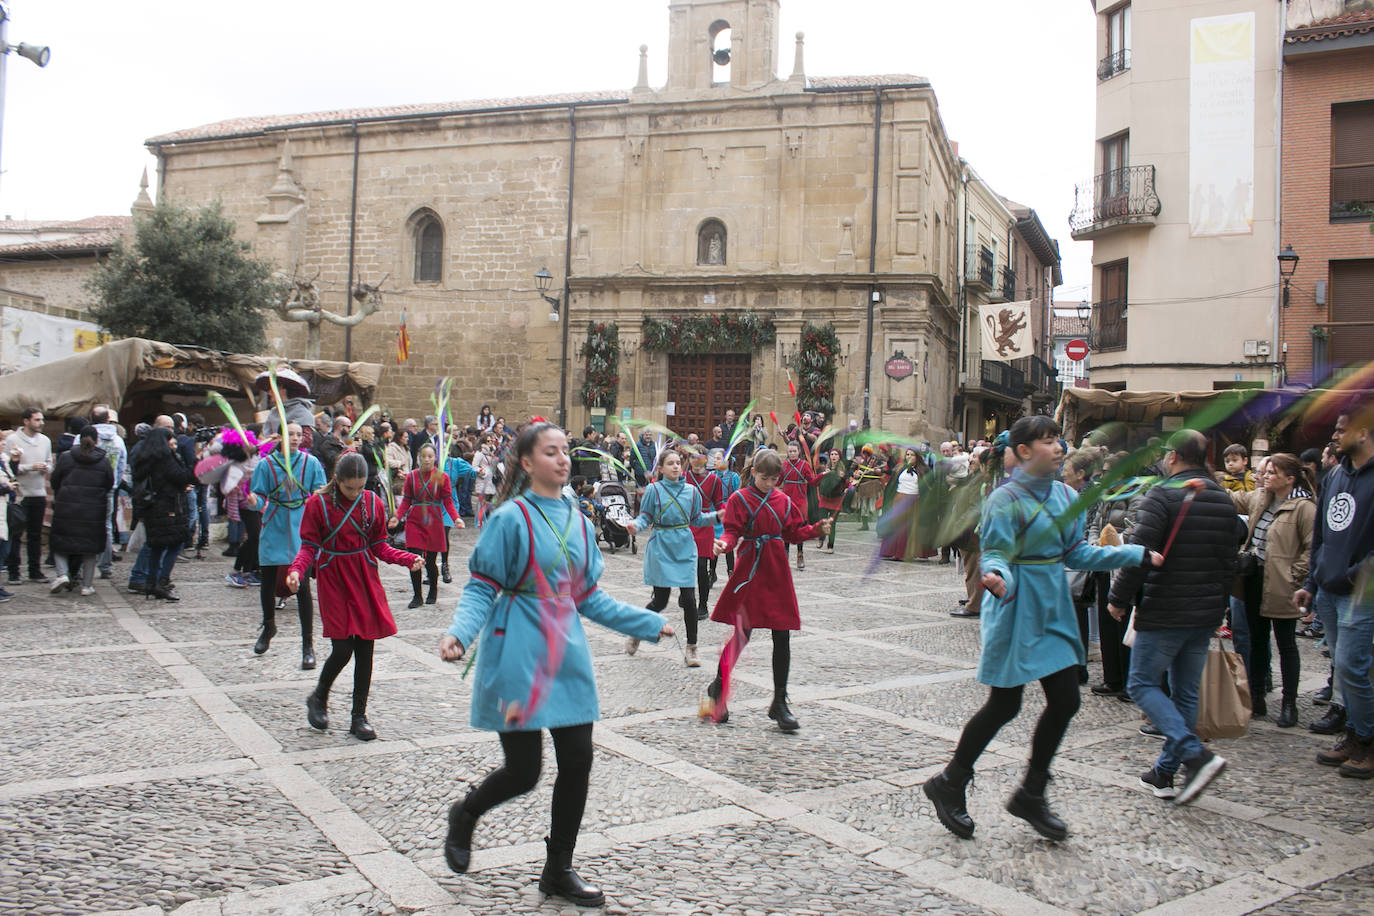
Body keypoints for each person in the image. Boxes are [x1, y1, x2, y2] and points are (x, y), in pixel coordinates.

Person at [438, 420, 673, 905]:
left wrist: (646, 624)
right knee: (524, 772)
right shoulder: (509, 519)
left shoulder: (580, 522)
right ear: (526, 463)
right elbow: (482, 587)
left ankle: (558, 868)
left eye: (565, 450)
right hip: (516, 656)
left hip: (566, 655)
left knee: (578, 759)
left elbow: (588, 598)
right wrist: (459, 634)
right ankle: (466, 812)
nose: (563, 459)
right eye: (551, 452)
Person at [924, 416, 1158, 841]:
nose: (1058, 446)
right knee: (1004, 705)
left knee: (1067, 699)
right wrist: (996, 578)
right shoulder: (1004, 499)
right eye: (1047, 440)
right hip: (1015, 607)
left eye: (1058, 439)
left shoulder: (1068, 495)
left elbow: (1078, 553)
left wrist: (1135, 555)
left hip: (1053, 607)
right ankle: (950, 781)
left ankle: (1032, 792)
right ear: (1025, 451)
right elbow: (995, 554)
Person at [1108, 429, 1244, 804]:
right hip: (1204, 611)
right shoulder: (1222, 498)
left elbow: (1139, 550)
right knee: (1184, 691)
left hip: (1166, 606)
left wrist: (1118, 598)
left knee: (1141, 684)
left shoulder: (1162, 494)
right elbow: (1229, 559)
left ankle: (1194, 754)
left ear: (1172, 457)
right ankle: (1165, 772)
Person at [288, 452, 423, 741]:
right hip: (333, 577)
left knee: (365, 649)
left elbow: (380, 546)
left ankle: (358, 716)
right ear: (337, 480)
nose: (355, 493)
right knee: (342, 648)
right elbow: (308, 546)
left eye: (360, 487)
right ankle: (319, 697)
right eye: (350, 487)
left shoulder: (373, 503)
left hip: (364, 576)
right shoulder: (318, 504)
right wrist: (297, 571)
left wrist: (405, 558)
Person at [703, 448, 832, 731]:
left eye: (774, 479)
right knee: (741, 635)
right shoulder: (739, 499)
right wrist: (723, 543)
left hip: (776, 572)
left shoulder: (783, 500)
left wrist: (816, 530)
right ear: (754, 473)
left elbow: (794, 532)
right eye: (764, 478)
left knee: (782, 637)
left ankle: (779, 703)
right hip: (750, 571)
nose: (770, 484)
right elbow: (731, 530)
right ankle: (719, 689)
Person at [1294, 406, 1374, 778]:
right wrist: (1311, 582)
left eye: (1342, 430)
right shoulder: (1335, 476)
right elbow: (1322, 538)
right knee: (1344, 671)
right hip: (1327, 589)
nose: (1335, 437)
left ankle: (1367, 740)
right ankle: (1355, 735)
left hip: (1362, 593)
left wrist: (1356, 573)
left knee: (1352, 668)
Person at [1231, 454, 1315, 727]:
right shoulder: (1259, 498)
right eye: (1264, 472)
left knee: (1286, 643)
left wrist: (1294, 577)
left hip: (1283, 585)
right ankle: (1257, 696)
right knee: (1257, 640)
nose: (1265, 476)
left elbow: (1312, 548)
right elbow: (1232, 499)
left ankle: (1289, 703)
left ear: (1289, 478)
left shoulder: (1303, 507)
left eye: (1272, 472)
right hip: (1255, 579)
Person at [626, 448, 718, 666]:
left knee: (689, 599)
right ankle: (637, 631)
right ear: (660, 468)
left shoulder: (691, 491)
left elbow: (697, 518)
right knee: (660, 600)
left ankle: (692, 649)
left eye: (678, 462)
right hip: (661, 547)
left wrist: (717, 516)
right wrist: (634, 526)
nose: (676, 466)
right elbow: (645, 517)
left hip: (684, 546)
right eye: (671, 463)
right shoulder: (654, 490)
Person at [251, 423, 327, 667]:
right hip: (273, 524)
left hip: (299, 527)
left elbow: (321, 492)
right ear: (281, 437)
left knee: (302, 585)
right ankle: (269, 626)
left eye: (298, 435)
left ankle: (308, 645)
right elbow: (258, 496)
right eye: (290, 434)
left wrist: (318, 497)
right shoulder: (266, 464)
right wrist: (254, 500)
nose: (295, 438)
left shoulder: (311, 464)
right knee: (268, 581)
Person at [127, 427, 196, 600]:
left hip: (152, 508)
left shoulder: (145, 457)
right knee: (175, 543)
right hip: (168, 507)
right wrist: (196, 465)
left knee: (156, 546)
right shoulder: (165, 458)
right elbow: (180, 477)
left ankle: (152, 582)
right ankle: (162, 581)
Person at [392, 443, 461, 608]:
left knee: (430, 561)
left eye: (430, 456)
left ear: (435, 458)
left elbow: (447, 501)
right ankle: (417, 596)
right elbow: (407, 500)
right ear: (419, 458)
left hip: (434, 520)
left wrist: (456, 518)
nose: (427, 459)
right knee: (413, 559)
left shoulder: (440, 476)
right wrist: (397, 516)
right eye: (424, 456)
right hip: (415, 520)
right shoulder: (412, 476)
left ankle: (433, 589)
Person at [49, 426, 114, 596]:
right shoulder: (103, 460)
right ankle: (87, 585)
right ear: (97, 440)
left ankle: (62, 574)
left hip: (67, 507)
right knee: (90, 548)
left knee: (60, 544)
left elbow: (55, 480)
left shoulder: (66, 457)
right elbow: (109, 484)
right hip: (93, 510)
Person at [5, 407, 53, 584]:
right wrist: (29, 467)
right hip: (20, 493)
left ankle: (35, 570)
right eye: (37, 420)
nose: (41, 423)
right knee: (16, 533)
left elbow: (49, 463)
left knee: (35, 534)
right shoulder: (12, 440)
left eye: (42, 420)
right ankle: (14, 571)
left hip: (38, 492)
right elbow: (8, 466)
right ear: (26, 421)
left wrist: (45, 467)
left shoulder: (45, 441)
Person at [683, 447, 726, 619]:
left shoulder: (714, 479)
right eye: (693, 457)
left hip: (705, 523)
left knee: (702, 567)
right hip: (686, 524)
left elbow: (719, 502)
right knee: (685, 566)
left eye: (700, 457)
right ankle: (686, 596)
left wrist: (727, 514)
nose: (697, 461)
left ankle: (703, 604)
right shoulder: (683, 478)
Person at [89, 405, 127, 580]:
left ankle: (83, 567)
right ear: (107, 420)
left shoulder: (84, 437)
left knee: (85, 526)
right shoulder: (118, 441)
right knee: (107, 527)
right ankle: (105, 566)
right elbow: (121, 466)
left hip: (88, 488)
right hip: (109, 488)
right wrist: (114, 484)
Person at [879, 448, 933, 561]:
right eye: (907, 454)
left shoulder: (924, 470)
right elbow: (893, 484)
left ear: (917, 457)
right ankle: (891, 551)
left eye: (912, 455)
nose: (909, 457)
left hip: (913, 501)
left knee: (908, 528)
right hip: (899, 499)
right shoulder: (899, 469)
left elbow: (929, 487)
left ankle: (904, 554)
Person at [778, 441, 814, 570]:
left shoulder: (804, 465)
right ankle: (785, 555)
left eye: (794, 451)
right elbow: (778, 481)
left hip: (800, 501)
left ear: (799, 451)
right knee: (786, 527)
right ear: (787, 452)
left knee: (799, 529)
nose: (792, 453)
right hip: (787, 501)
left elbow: (812, 481)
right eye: (790, 451)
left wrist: (822, 476)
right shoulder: (784, 465)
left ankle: (800, 554)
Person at [814, 448, 847, 554]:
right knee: (822, 521)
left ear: (839, 457)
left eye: (836, 454)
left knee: (832, 524)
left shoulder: (842, 470)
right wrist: (824, 474)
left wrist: (843, 479)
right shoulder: (825, 468)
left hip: (836, 500)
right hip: (824, 499)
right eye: (832, 454)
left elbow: (847, 484)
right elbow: (817, 481)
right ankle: (821, 538)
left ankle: (830, 546)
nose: (833, 456)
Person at [314, 414, 351, 481]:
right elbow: (333, 460)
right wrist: (348, 449)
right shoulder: (328, 442)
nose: (350, 429)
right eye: (348, 427)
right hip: (332, 480)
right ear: (340, 427)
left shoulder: (345, 441)